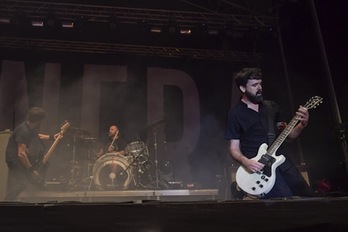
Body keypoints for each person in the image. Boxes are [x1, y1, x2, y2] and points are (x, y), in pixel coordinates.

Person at [225, 67, 314, 199]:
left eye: (260, 83)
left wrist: (302, 124)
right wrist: (246, 162)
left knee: (308, 196)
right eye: (254, 85)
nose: (259, 88)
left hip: (283, 163)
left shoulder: (271, 107)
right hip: (260, 168)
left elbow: (289, 136)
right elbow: (233, 149)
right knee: (284, 202)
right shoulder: (235, 114)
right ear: (243, 88)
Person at [5, 107, 60, 200]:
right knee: (20, 183)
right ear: (38, 121)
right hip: (13, 159)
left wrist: (52, 137)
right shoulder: (23, 130)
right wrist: (31, 171)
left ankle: (37, 183)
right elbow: (21, 154)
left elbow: (38, 136)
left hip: (18, 156)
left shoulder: (30, 127)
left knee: (43, 163)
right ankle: (7, 203)